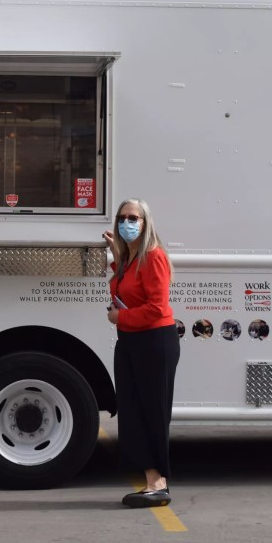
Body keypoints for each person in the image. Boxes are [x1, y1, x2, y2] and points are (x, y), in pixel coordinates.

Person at [102, 198, 179, 509]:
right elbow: (125, 287)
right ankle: (151, 481)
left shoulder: (154, 257)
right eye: (122, 217)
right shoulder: (131, 259)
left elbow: (157, 308)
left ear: (146, 223)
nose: (126, 222)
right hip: (131, 342)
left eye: (133, 217)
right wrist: (119, 256)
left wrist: (121, 317)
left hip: (154, 341)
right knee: (133, 412)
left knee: (152, 412)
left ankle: (159, 482)